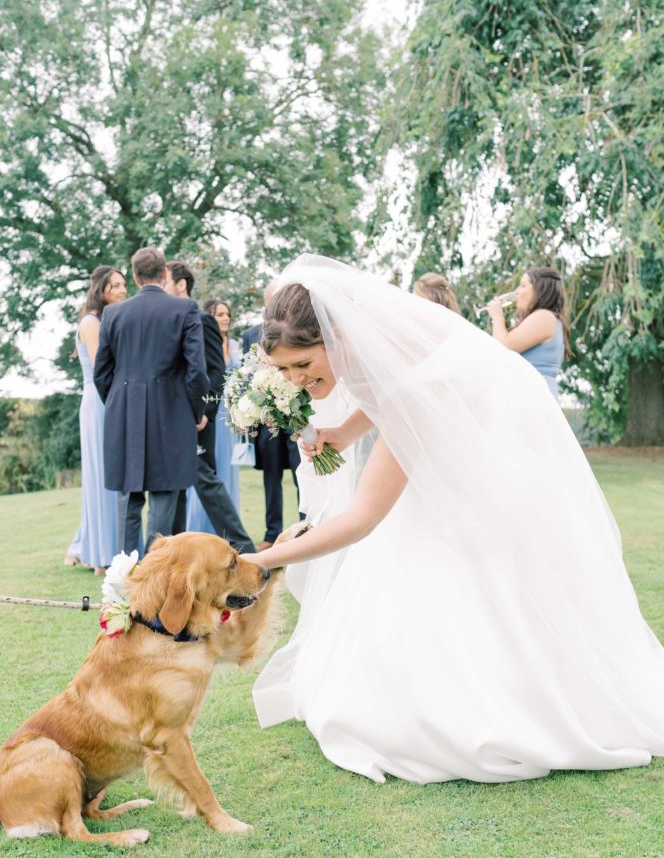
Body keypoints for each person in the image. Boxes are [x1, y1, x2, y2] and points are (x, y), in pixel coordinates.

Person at [241, 254, 664, 786]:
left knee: (470, 561)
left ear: (336, 338)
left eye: (304, 365)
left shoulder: (411, 388)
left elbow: (364, 517)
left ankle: (513, 695)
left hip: (488, 452)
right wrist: (346, 433)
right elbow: (383, 387)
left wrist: (264, 559)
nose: (297, 380)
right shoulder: (378, 355)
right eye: (284, 371)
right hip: (453, 433)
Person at [93, 247, 209, 554]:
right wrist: (196, 411)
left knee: (128, 500)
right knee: (163, 498)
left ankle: (123, 581)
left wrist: (118, 404)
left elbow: (101, 374)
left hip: (124, 414)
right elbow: (197, 371)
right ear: (166, 274)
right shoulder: (184, 310)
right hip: (171, 415)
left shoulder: (113, 313)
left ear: (134, 276)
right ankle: (151, 580)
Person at [164, 262, 254, 553]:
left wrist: (203, 410)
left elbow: (216, 372)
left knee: (206, 480)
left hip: (200, 419)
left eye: (165, 280)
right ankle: (176, 552)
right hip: (171, 417)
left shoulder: (203, 320)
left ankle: (242, 548)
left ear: (180, 284)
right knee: (175, 489)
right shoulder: (165, 319)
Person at [64, 266, 128, 575]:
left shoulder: (108, 320)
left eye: (124, 284)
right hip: (99, 400)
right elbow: (104, 367)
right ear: (101, 290)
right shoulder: (91, 323)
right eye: (115, 285)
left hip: (110, 398)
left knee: (111, 477)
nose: (121, 289)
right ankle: (101, 553)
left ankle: (101, 546)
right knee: (103, 476)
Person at [242, 279, 301, 551]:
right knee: (271, 478)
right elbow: (247, 377)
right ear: (266, 304)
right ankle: (271, 532)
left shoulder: (300, 331)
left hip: (299, 417)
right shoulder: (251, 334)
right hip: (268, 420)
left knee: (303, 475)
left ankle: (304, 528)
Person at [185, 298, 241, 534]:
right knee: (205, 469)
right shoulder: (202, 341)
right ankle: (200, 527)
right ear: (209, 318)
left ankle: (227, 526)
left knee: (225, 469)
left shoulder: (236, 345)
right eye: (219, 314)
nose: (225, 318)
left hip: (229, 411)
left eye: (227, 313)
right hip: (209, 411)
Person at [485, 267, 570, 398]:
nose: (517, 292)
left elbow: (503, 346)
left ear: (540, 290)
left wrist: (497, 317)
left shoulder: (544, 316)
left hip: (534, 397)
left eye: (523, 286)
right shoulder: (548, 318)